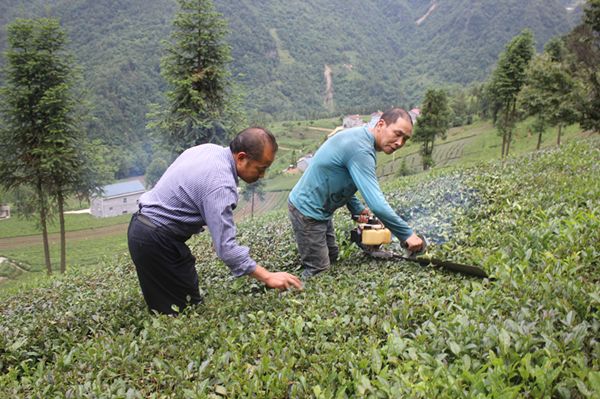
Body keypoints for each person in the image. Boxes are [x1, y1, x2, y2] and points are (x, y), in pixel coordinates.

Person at [128, 127, 302, 314]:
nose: (262, 176)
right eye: (260, 169)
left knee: (179, 302)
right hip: (156, 240)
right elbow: (226, 249)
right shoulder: (221, 185)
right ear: (241, 157)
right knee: (181, 312)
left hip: (144, 228)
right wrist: (267, 276)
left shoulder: (209, 150)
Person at [288, 108, 424, 278]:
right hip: (306, 210)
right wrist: (407, 235)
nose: (399, 142)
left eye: (405, 139)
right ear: (381, 124)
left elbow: (341, 178)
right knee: (319, 270)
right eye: (397, 134)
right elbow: (377, 205)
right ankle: (287, 291)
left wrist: (357, 209)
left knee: (332, 255)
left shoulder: (360, 139)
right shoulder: (361, 150)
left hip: (322, 210)